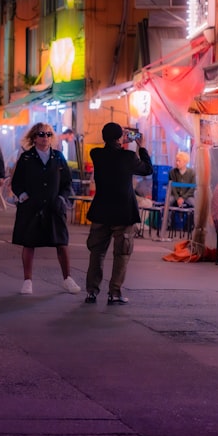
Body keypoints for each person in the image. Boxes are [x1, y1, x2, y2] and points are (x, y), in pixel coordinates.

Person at [84, 123, 153, 305]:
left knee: (97, 253)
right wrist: (141, 146)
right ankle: (114, 293)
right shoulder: (129, 157)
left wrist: (119, 138)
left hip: (101, 210)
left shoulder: (96, 154)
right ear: (120, 137)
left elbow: (110, 152)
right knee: (121, 254)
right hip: (123, 211)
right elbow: (147, 169)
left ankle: (91, 291)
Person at [11, 123, 81, 295]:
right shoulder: (26, 158)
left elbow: (66, 183)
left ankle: (67, 278)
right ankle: (27, 281)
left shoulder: (58, 157)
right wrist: (23, 195)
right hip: (32, 206)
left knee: (62, 243)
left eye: (49, 134)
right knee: (29, 243)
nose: (45, 137)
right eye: (41, 134)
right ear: (34, 137)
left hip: (54, 206)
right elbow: (16, 182)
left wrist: (62, 198)